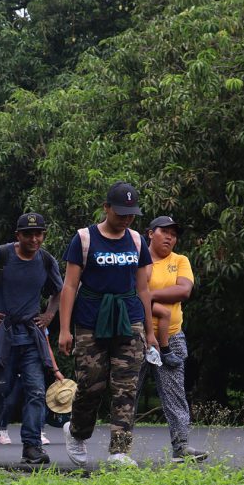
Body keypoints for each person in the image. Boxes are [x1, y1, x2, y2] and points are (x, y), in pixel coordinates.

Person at [59, 183, 156, 467]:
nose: (126, 219)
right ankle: (76, 432)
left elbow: (143, 289)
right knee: (90, 384)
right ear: (106, 208)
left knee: (126, 387)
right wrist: (65, 329)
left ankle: (119, 451)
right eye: (121, 213)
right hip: (90, 320)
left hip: (130, 320)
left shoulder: (137, 241)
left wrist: (150, 332)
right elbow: (69, 286)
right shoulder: (84, 239)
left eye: (131, 214)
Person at [0, 212, 64, 465]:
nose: (34, 239)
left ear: (44, 235)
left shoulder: (46, 260)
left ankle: (32, 446)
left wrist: (49, 315)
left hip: (30, 336)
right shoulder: (0, 255)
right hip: (2, 335)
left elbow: (59, 290)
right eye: (28, 234)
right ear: (18, 236)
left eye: (39, 234)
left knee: (36, 391)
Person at [139, 215, 207, 462]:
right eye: (164, 232)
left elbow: (184, 290)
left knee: (175, 393)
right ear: (150, 233)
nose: (169, 237)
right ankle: (119, 448)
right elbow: (132, 292)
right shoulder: (139, 258)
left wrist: (149, 295)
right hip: (137, 334)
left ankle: (181, 446)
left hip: (171, 336)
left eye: (174, 234)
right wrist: (147, 296)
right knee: (126, 392)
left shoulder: (180, 260)